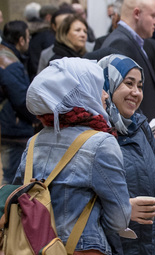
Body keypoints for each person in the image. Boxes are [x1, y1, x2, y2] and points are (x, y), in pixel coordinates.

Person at [12, 57, 131, 255]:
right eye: (98, 88)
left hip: (32, 246)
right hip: (81, 248)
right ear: (83, 95)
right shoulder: (101, 143)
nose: (105, 96)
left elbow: (18, 194)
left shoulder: (34, 142)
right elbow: (120, 219)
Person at [98, 54, 155, 254]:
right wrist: (124, 210)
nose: (136, 92)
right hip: (111, 246)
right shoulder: (94, 131)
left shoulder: (140, 126)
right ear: (107, 84)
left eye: (140, 86)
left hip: (147, 242)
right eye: (128, 83)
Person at [100, 0, 155, 122]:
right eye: (153, 16)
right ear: (137, 14)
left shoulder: (133, 42)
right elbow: (119, 100)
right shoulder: (120, 43)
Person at [0, 20, 36, 184]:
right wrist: (35, 117)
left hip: (9, 126)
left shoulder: (6, 56)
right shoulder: (10, 64)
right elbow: (21, 99)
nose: (29, 42)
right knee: (13, 180)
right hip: (14, 129)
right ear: (21, 40)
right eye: (28, 38)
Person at [37, 7, 75, 74]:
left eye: (70, 25)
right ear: (54, 26)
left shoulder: (90, 49)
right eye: (63, 25)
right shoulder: (47, 54)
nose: (66, 28)